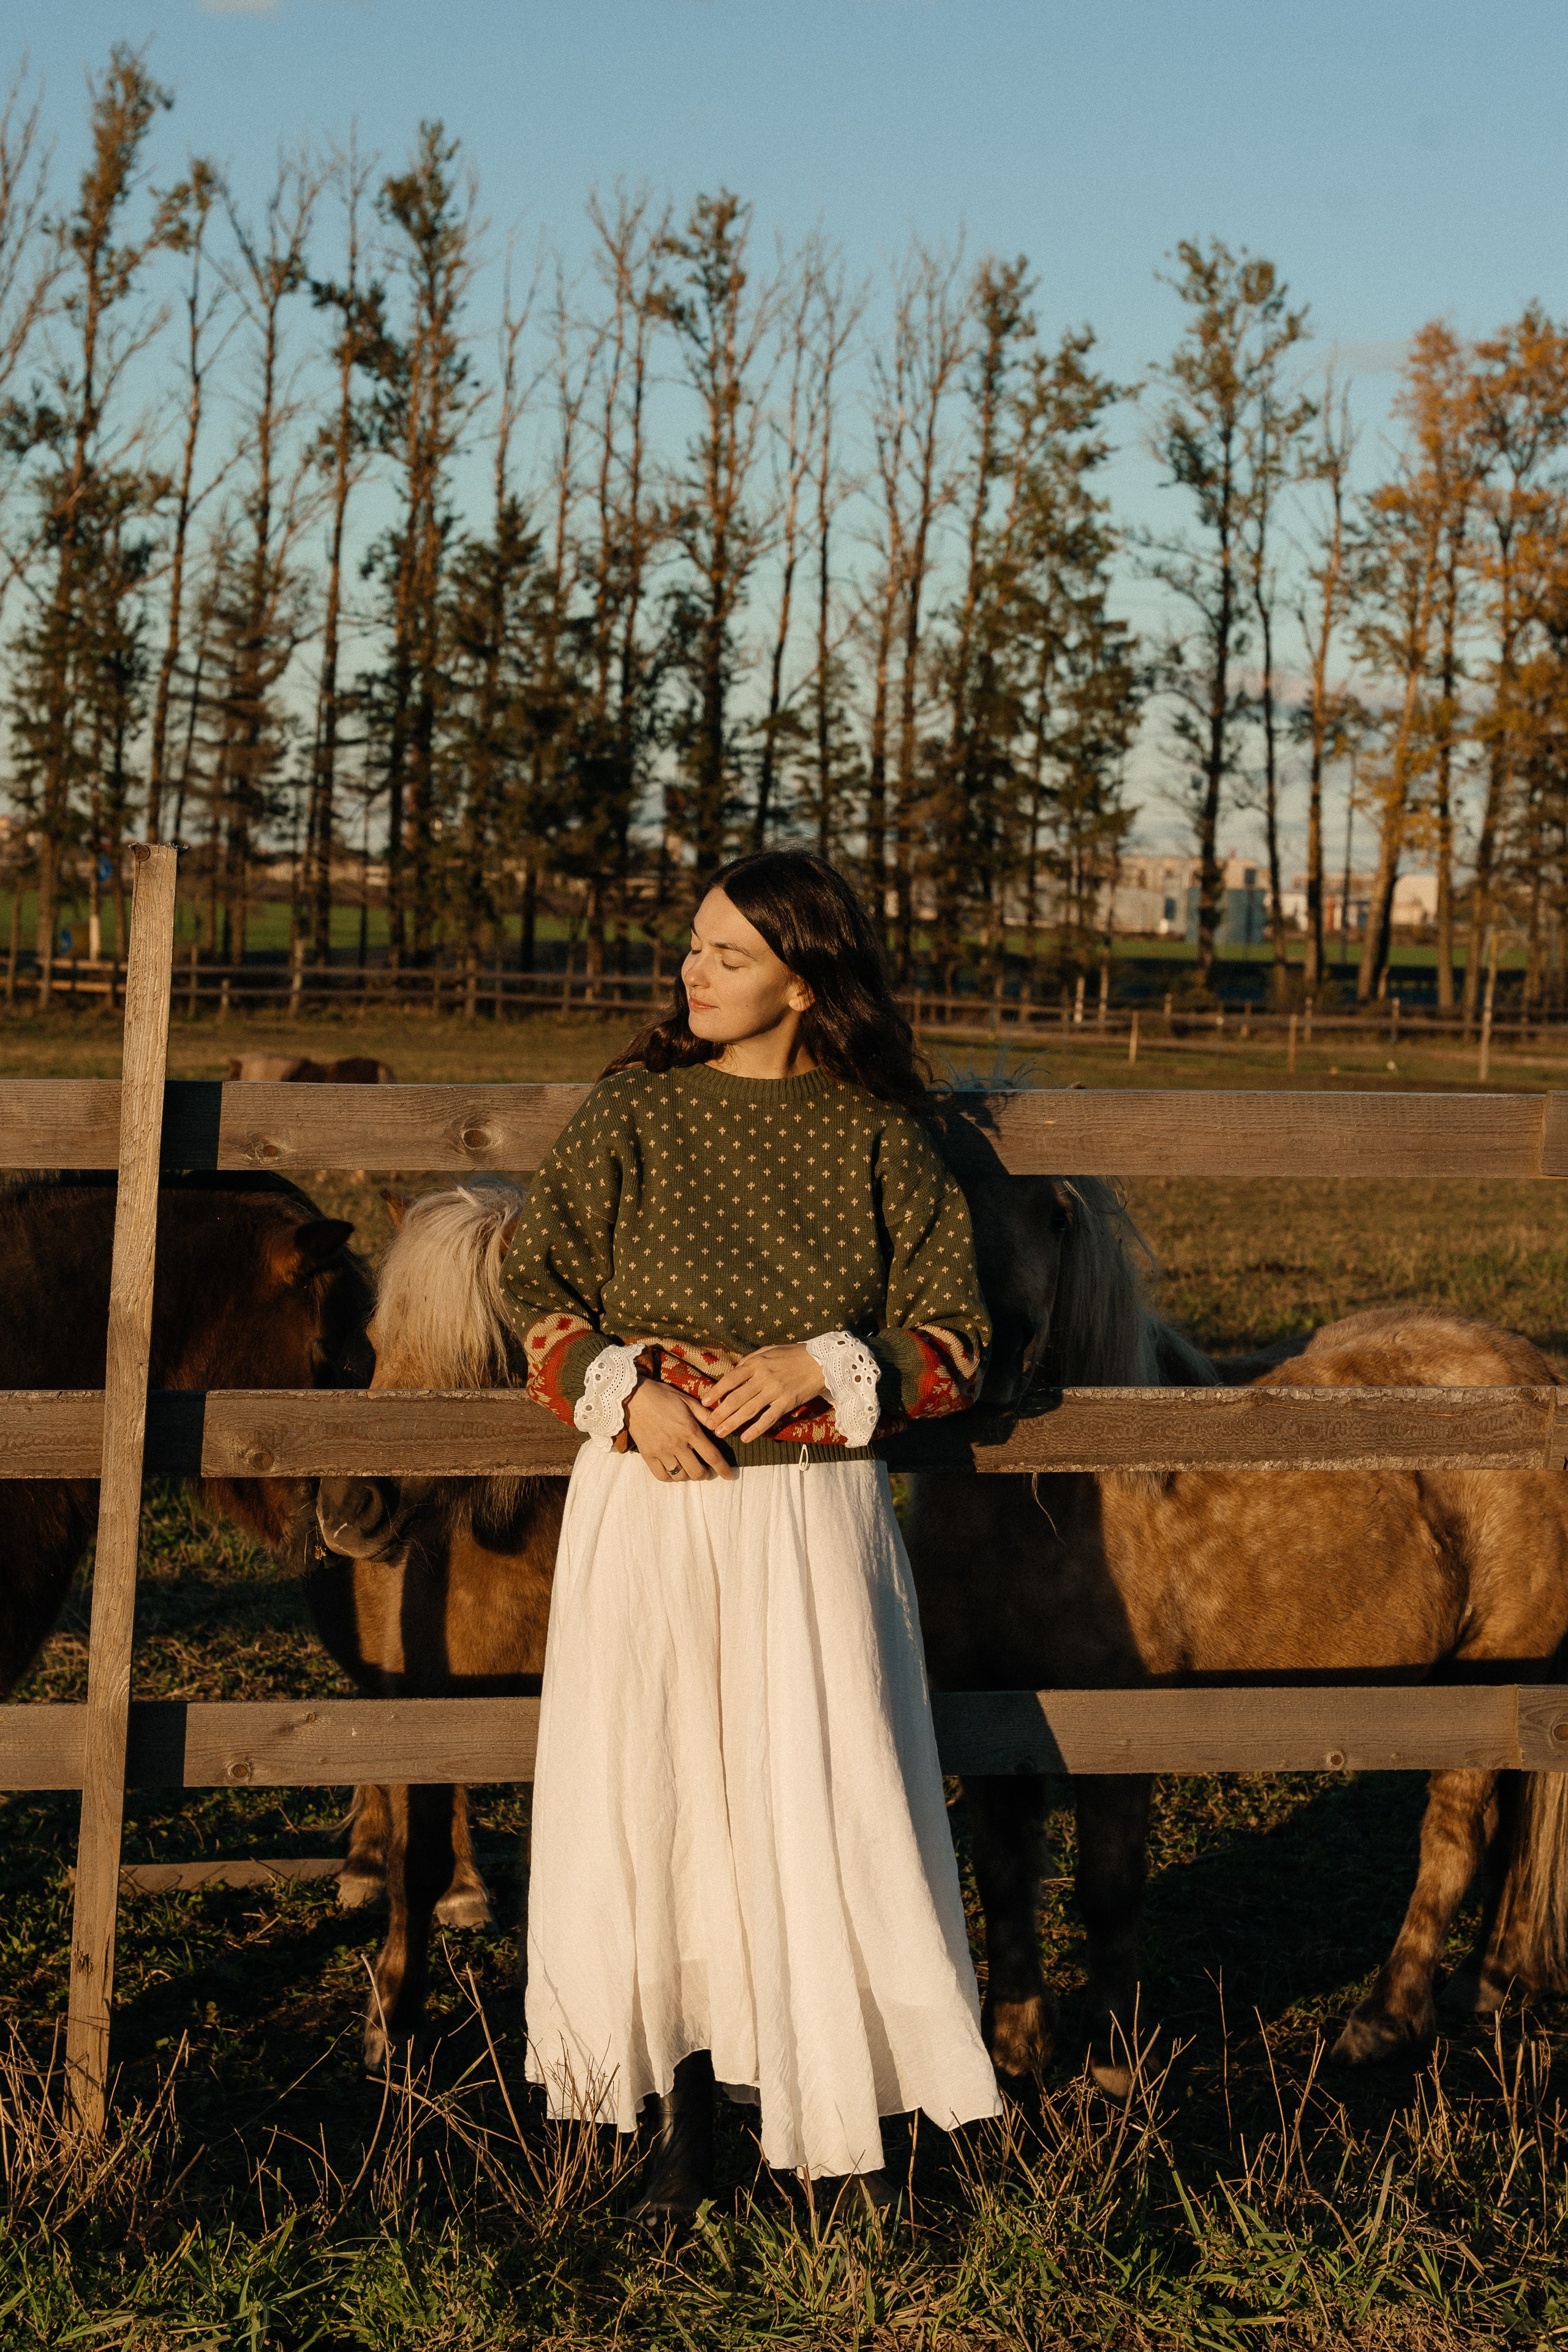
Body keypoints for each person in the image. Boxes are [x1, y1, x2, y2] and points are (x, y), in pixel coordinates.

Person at [504, 848, 1001, 2222]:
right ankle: (673, 2138)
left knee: (812, 1795)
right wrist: (628, 1393)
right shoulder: (633, 1118)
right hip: (646, 1508)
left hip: (807, 1524)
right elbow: (534, 1286)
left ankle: (823, 2118)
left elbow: (956, 1335)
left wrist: (818, 1367)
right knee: (652, 1794)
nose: (691, 971)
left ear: (804, 973)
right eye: (691, 948)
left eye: (726, 953)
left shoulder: (880, 1136)